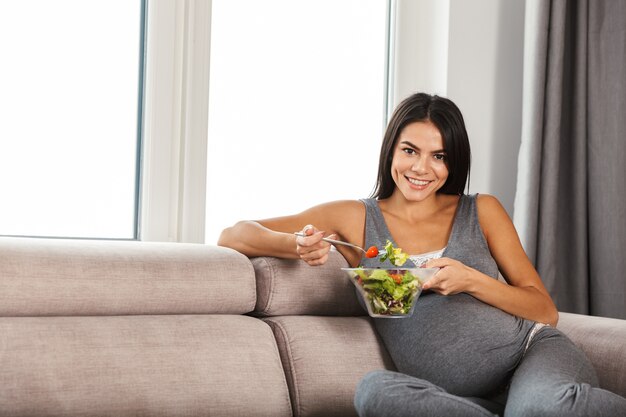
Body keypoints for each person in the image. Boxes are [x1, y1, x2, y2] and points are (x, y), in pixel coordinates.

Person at [218, 92, 626, 416]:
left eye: (439, 156)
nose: (421, 168)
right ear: (391, 151)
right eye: (410, 151)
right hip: (459, 400)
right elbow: (234, 234)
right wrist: (295, 244)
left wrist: (471, 280)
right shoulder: (356, 218)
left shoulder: (481, 211)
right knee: (375, 393)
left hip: (531, 356)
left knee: (540, 407)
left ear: (453, 162)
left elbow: (544, 310)